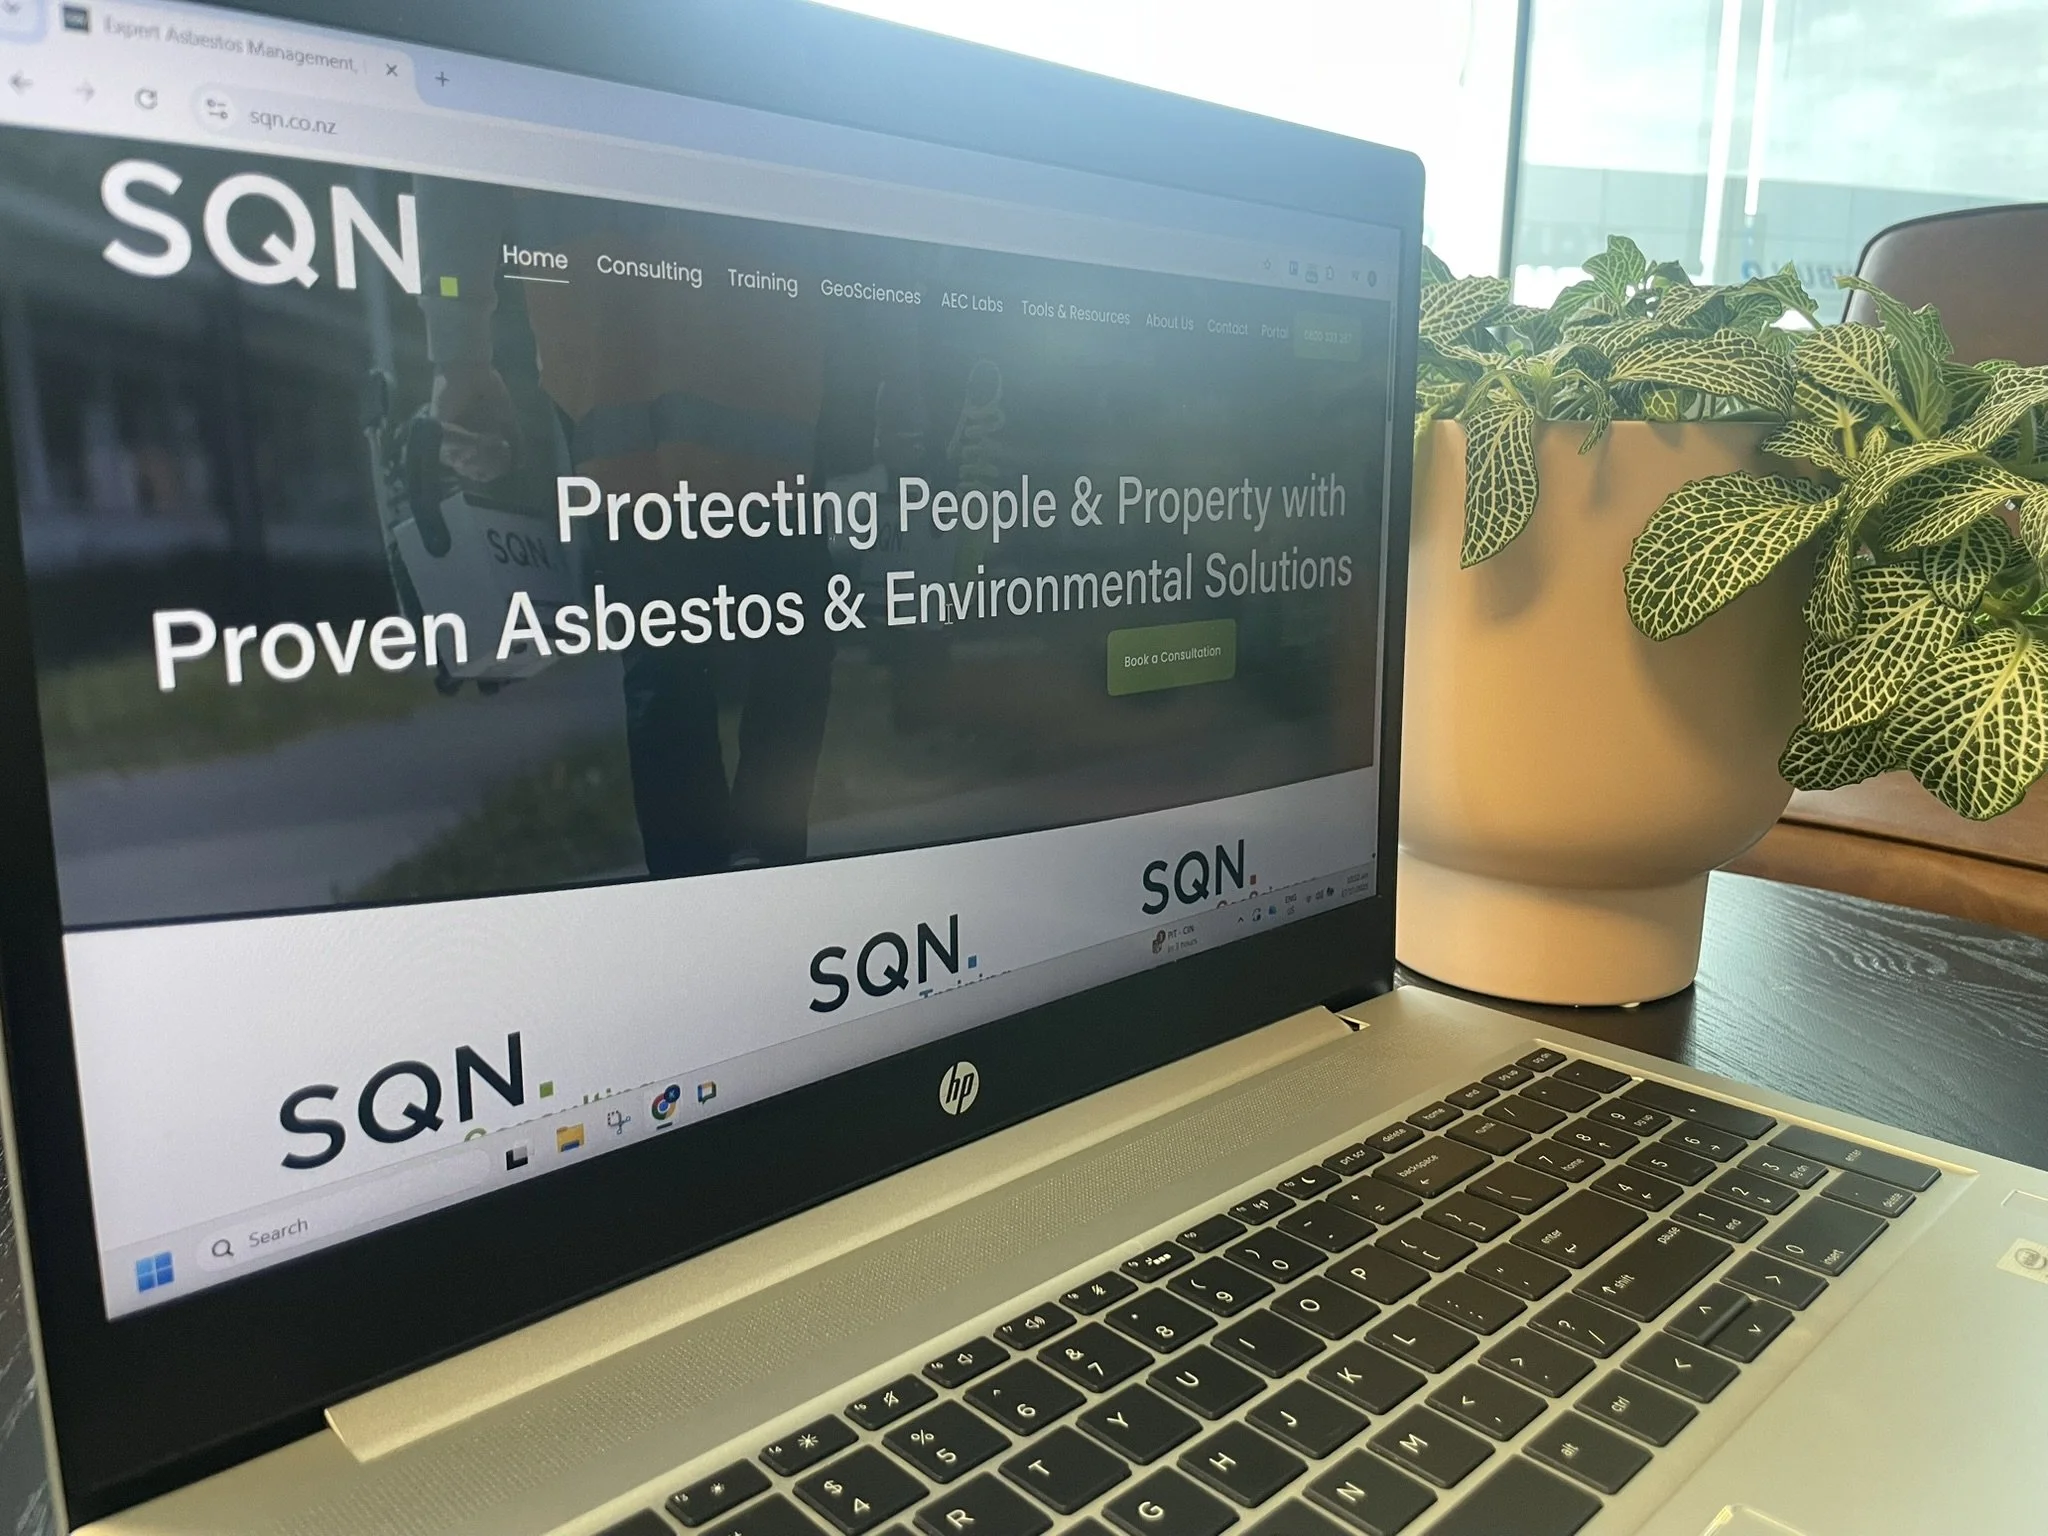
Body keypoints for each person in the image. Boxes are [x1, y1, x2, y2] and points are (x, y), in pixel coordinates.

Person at [413, 178, 925, 875]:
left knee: (707, 663)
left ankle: (730, 882)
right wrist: (459, 345)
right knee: (756, 653)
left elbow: (454, 176)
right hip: (707, 378)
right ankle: (738, 882)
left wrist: (460, 346)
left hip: (651, 379)